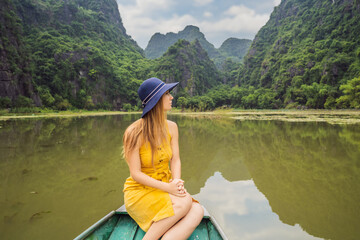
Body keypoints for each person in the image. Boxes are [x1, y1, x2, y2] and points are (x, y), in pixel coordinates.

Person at [122, 77, 204, 240]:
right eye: (167, 94)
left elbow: (175, 160)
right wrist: (169, 189)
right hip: (140, 191)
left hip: (166, 185)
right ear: (156, 100)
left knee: (198, 210)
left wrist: (176, 182)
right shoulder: (134, 133)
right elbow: (136, 174)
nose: (171, 97)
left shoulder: (172, 127)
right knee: (183, 203)